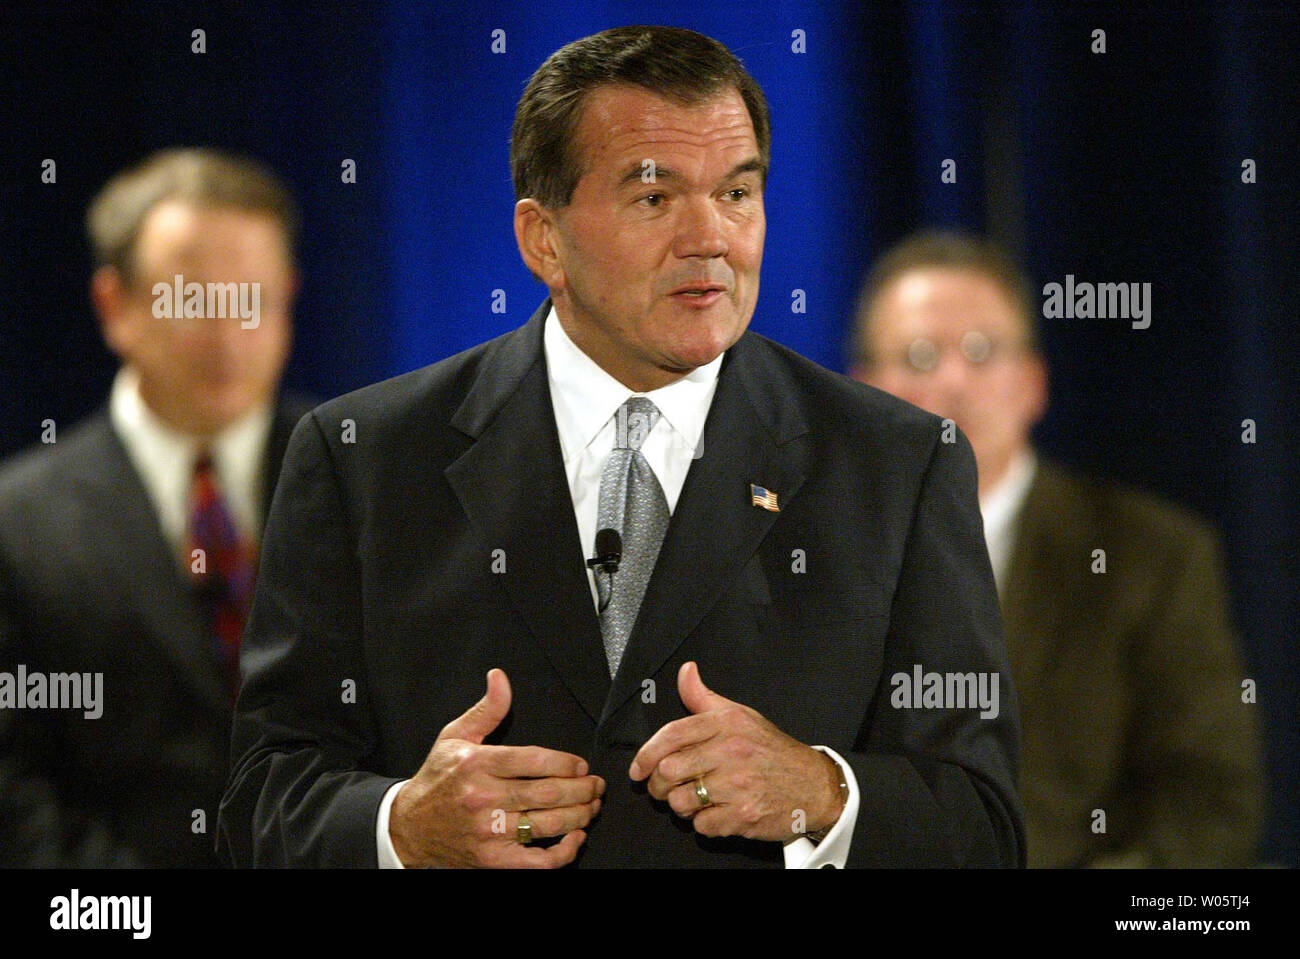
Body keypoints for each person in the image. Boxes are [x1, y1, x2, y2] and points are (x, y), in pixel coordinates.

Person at [218, 26, 1024, 869]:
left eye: (738, 193)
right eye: (653, 197)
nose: (711, 237)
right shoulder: (363, 459)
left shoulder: (898, 465)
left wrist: (823, 795)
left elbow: (984, 826)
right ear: (543, 241)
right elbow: (263, 802)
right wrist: (399, 827)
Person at [851, 229, 1265, 867]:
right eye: (920, 356)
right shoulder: (813, 557)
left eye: (982, 351)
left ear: (1033, 382)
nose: (955, 381)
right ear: (862, 391)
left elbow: (1212, 801)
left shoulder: (1153, 555)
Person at [0, 148, 311, 866]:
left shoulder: (367, 475)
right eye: (194, 300)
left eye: (254, 299)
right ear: (116, 305)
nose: (228, 335)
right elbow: (13, 791)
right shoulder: (18, 523)